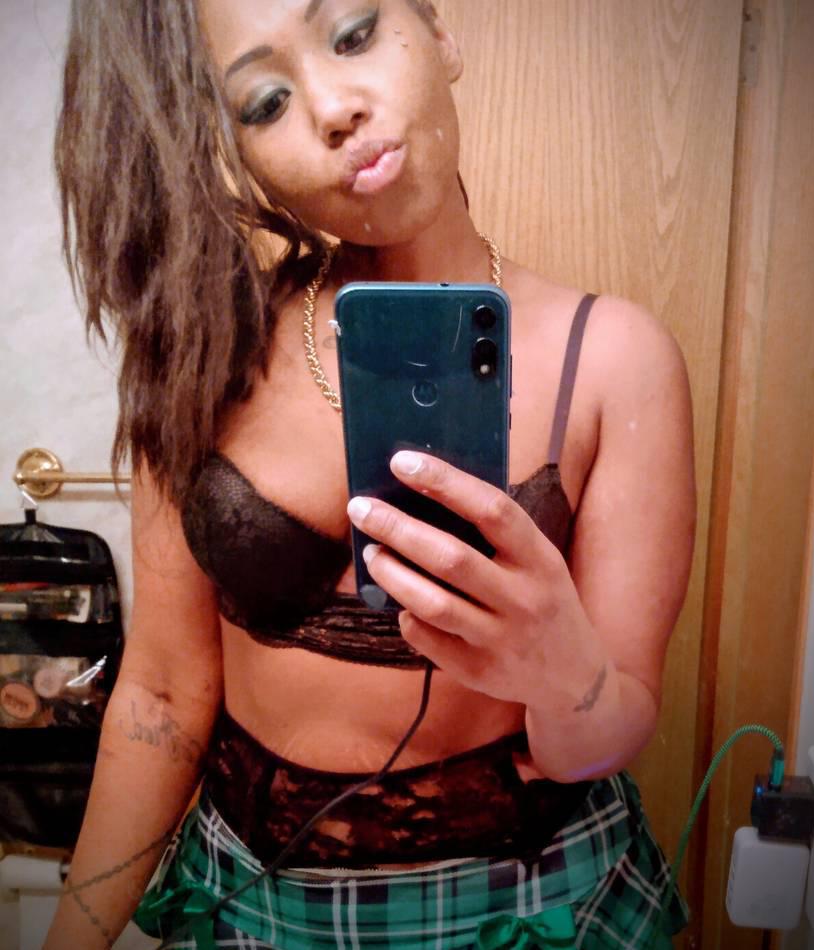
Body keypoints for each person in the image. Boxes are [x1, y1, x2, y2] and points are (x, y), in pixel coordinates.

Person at [44, 0, 696, 947]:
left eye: (352, 35)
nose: (332, 108)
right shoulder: (200, 352)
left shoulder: (616, 359)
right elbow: (161, 695)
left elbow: (604, 735)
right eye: (265, 102)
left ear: (439, 34)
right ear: (238, 149)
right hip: (255, 900)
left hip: (529, 903)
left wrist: (567, 676)